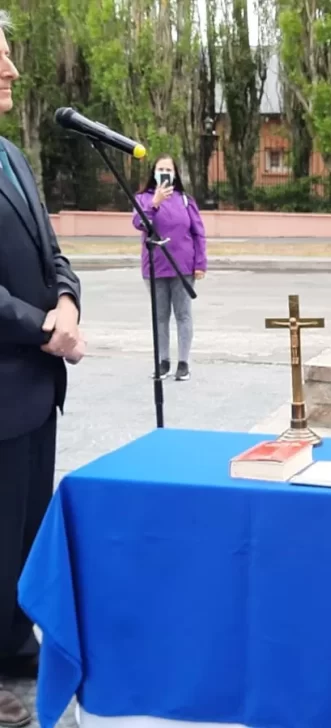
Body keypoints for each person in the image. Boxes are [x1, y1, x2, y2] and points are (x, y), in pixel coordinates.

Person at [0, 11, 85, 726]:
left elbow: (52, 248)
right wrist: (43, 332)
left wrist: (66, 302)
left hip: (32, 390)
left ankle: (12, 642)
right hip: (6, 376)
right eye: (0, 56)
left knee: (21, 529)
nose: (13, 71)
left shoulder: (12, 155)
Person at [132, 155, 207, 382]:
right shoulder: (143, 198)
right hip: (155, 266)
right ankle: (163, 361)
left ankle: (183, 362)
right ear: (153, 173)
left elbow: (198, 233)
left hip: (182, 266)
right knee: (160, 316)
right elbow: (139, 223)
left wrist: (200, 263)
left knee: (183, 314)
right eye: (160, 169)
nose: (164, 173)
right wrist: (154, 203)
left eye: (168, 169)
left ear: (175, 174)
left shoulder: (185, 200)